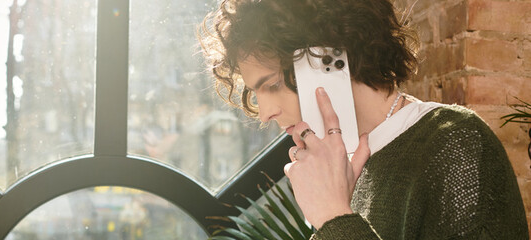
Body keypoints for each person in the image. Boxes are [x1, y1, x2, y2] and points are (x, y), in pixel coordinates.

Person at [198, 0, 528, 239]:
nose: (266, 111)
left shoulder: (457, 144)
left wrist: (334, 217)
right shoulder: (345, 171)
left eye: (272, 85)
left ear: (326, 56)